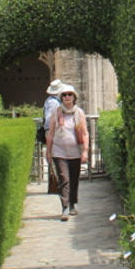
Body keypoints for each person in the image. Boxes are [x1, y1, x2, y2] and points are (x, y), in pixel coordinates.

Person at [46, 83, 88, 221]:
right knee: (64, 178)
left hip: (75, 151)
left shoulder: (79, 113)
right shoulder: (56, 113)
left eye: (69, 94)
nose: (67, 97)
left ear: (74, 97)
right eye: (64, 95)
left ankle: (72, 204)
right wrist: (48, 151)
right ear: (61, 97)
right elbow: (51, 133)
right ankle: (64, 207)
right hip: (59, 151)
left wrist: (85, 151)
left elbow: (85, 133)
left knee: (74, 179)